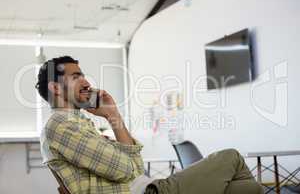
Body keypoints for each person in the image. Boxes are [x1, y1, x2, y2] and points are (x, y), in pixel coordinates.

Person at [35, 56, 263, 194]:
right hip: (150, 192)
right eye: (76, 77)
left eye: (83, 75)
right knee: (230, 157)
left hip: (149, 186)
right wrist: (128, 163)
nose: (85, 82)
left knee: (248, 190)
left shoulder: (80, 123)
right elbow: (126, 170)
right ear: (55, 88)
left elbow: (135, 165)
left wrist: (113, 116)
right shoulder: (62, 126)